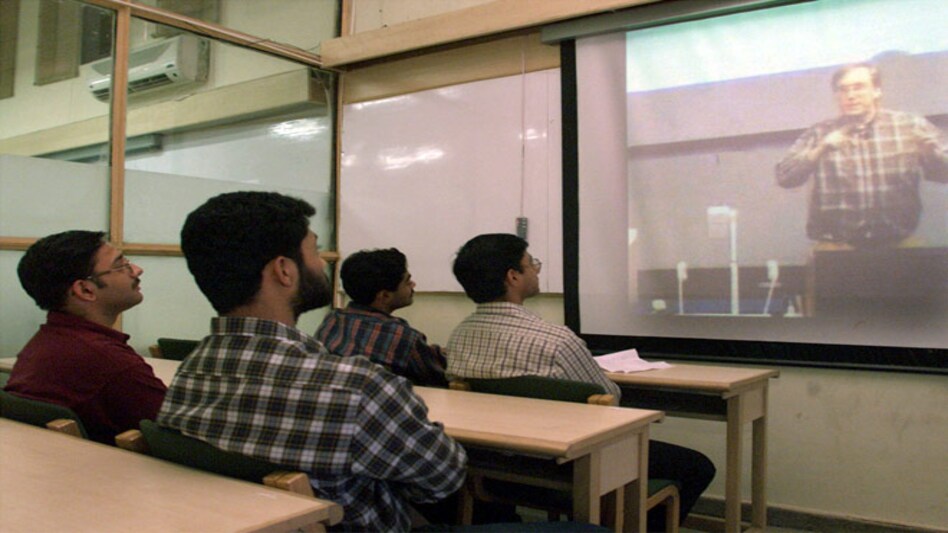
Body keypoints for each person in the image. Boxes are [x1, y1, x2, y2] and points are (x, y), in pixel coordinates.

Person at [159, 191, 466, 532]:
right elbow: (444, 479)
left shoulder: (189, 372)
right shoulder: (358, 388)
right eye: (315, 250)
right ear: (284, 271)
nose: (321, 263)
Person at [447, 233, 715, 531]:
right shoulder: (556, 340)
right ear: (513, 276)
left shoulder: (459, 336)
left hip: (496, 469)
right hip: (571, 463)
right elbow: (608, 400)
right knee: (697, 467)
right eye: (531, 263)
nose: (536, 269)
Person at [4, 230, 167, 444]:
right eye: (121, 265)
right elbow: (178, 433)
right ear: (85, 289)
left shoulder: (43, 343)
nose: (137, 270)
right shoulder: (111, 361)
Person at [776, 63, 948, 248]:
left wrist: (932, 155)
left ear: (877, 91)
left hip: (898, 241)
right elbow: (785, 177)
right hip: (836, 245)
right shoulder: (820, 132)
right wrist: (821, 148)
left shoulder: (910, 125)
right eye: (843, 90)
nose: (850, 96)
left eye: (859, 87)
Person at [315, 248, 448, 387]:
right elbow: (440, 375)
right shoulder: (404, 337)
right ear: (384, 295)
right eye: (407, 281)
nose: (413, 284)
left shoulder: (332, 320)